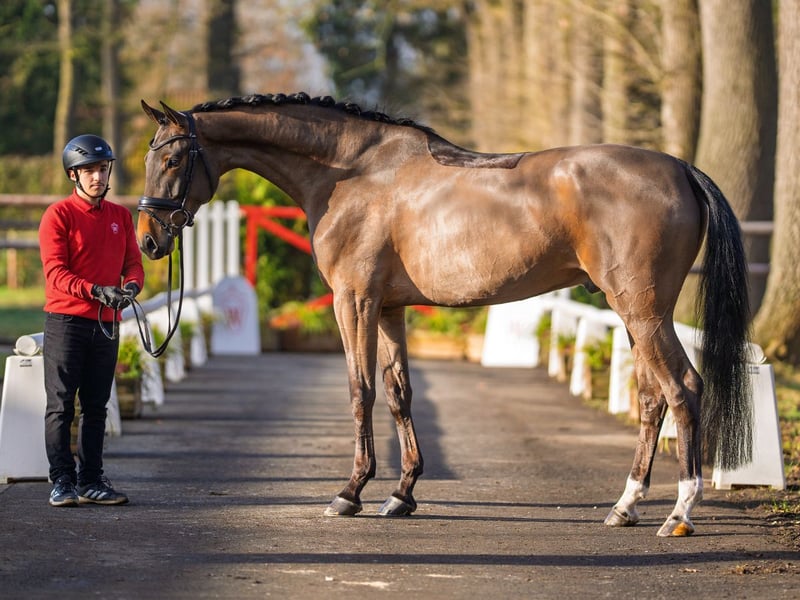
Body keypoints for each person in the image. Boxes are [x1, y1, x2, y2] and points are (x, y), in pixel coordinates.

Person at [39, 134, 145, 507]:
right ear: (74, 175)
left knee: (97, 405)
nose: (97, 177)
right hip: (67, 321)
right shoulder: (58, 216)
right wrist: (97, 291)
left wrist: (131, 287)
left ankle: (91, 479)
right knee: (61, 404)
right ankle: (61, 480)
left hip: (107, 322)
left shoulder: (120, 217)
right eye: (88, 171)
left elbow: (133, 263)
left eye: (101, 169)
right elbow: (56, 273)